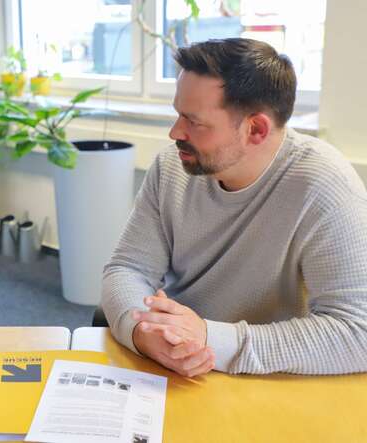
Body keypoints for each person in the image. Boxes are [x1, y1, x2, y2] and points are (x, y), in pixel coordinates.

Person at [101, 38, 367, 377]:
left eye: (193, 121)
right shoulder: (172, 166)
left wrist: (211, 339)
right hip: (175, 367)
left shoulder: (324, 185)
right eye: (177, 114)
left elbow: (358, 331)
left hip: (269, 376)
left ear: (256, 129)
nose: (174, 132)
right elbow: (127, 268)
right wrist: (142, 331)